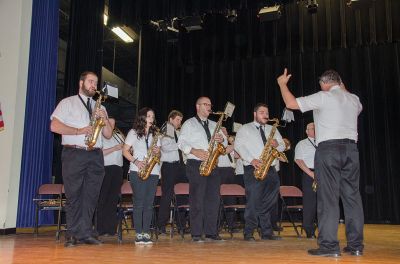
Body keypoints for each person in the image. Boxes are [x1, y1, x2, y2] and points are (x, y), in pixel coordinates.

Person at [277, 68, 364, 257]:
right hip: (351, 150)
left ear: (324, 84)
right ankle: (356, 245)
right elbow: (346, 94)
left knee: (328, 198)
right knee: (352, 198)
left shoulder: (323, 96)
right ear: (340, 82)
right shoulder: (354, 99)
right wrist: (340, 83)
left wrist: (282, 84)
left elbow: (291, 104)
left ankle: (329, 246)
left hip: (329, 149)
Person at [50, 71, 113, 247]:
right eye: (91, 82)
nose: (94, 85)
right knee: (74, 194)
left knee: (91, 195)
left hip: (96, 154)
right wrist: (79, 131)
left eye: (96, 83)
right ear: (81, 83)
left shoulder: (100, 107)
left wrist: (104, 119)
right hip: (74, 152)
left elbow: (107, 134)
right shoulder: (67, 103)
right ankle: (72, 233)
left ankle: (86, 233)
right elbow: (54, 126)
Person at [234, 103, 285, 241]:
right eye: (262, 112)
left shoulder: (272, 129)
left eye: (267, 112)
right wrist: (252, 160)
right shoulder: (245, 129)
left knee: (272, 199)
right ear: (255, 114)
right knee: (254, 200)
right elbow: (239, 146)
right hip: (253, 168)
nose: (266, 115)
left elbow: (283, 145)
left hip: (271, 168)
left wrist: (278, 145)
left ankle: (266, 232)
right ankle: (249, 232)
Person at [178, 96, 226, 242]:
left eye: (210, 105)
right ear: (197, 106)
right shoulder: (189, 123)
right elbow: (181, 143)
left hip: (213, 164)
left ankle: (211, 232)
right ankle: (196, 233)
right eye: (206, 104)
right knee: (197, 199)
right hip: (196, 164)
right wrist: (194, 151)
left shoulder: (214, 124)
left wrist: (221, 139)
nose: (209, 107)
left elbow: (223, 144)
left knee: (213, 199)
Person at [122, 107, 161, 245]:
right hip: (137, 170)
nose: (151, 118)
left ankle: (146, 232)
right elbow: (125, 151)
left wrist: (157, 152)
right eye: (149, 115)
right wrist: (136, 161)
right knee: (139, 203)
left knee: (149, 204)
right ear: (142, 117)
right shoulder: (133, 132)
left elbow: (159, 155)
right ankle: (138, 233)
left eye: (153, 116)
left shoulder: (156, 134)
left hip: (153, 171)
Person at [157, 110, 188, 235]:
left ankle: (181, 224)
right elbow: (166, 147)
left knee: (183, 194)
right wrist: (181, 145)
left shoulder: (176, 132)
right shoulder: (168, 128)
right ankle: (161, 226)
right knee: (167, 196)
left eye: (181, 120)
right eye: (177, 120)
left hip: (179, 166)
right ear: (171, 119)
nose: (179, 122)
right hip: (169, 166)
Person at [96, 118, 124, 236]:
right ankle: (100, 228)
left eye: (113, 124)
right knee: (102, 199)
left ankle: (111, 228)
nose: (112, 126)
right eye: (109, 123)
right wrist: (114, 148)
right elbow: (98, 153)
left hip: (118, 169)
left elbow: (125, 151)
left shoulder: (119, 136)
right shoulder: (100, 135)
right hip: (105, 168)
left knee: (113, 200)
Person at [294, 122, 317, 238]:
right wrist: (311, 174)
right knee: (310, 204)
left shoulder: (322, 143)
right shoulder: (302, 144)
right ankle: (309, 230)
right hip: (310, 174)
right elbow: (299, 160)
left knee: (324, 203)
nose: (315, 130)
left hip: (324, 174)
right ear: (307, 131)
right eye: (312, 128)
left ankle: (324, 229)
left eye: (316, 128)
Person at [217, 127, 237, 232]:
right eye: (222, 131)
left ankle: (231, 225)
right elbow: (224, 151)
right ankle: (218, 224)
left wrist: (237, 145)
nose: (225, 132)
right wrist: (236, 144)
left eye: (225, 131)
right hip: (220, 170)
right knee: (219, 198)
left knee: (231, 198)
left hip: (230, 171)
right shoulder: (218, 144)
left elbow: (238, 155)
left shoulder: (230, 146)